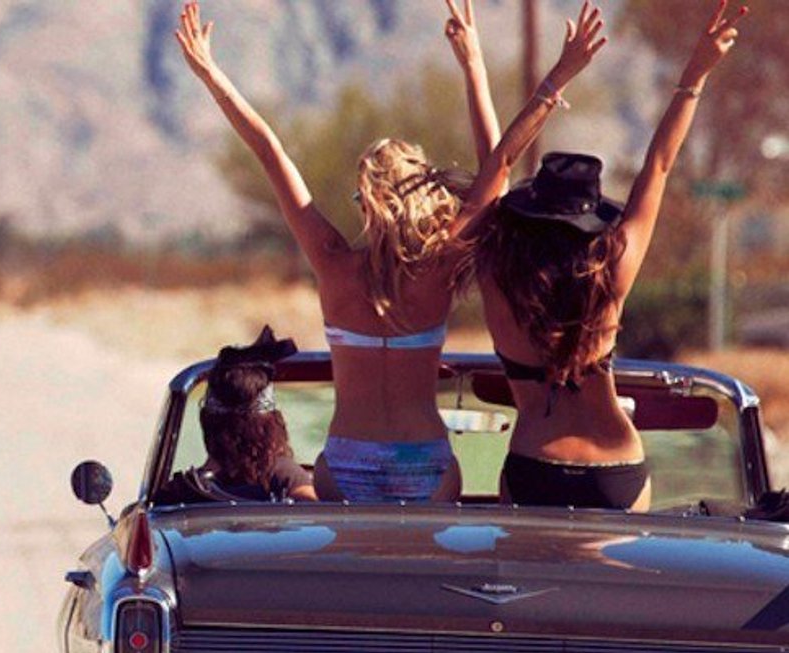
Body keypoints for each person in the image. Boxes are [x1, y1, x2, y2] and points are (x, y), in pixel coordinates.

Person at [175, 0, 607, 502]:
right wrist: (525, 73)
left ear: (368, 204)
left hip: (345, 465)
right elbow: (501, 163)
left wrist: (211, 75)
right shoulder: (440, 267)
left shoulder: (333, 262)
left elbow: (270, 151)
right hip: (427, 466)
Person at [469, 1, 748, 511]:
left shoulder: (499, 278)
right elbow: (658, 165)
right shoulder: (612, 270)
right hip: (617, 468)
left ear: (527, 212)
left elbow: (497, 166)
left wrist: (546, 77)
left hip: (535, 460)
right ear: (591, 220)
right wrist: (695, 75)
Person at [156, 326, 316, 504]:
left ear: (206, 423)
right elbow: (314, 510)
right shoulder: (286, 478)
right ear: (272, 425)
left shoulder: (178, 493)